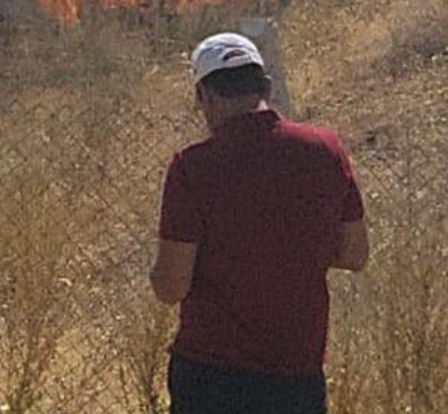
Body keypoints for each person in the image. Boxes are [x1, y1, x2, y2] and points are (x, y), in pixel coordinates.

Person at [150, 32, 369, 414]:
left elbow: (171, 286)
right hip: (296, 373)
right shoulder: (326, 151)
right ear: (265, 87)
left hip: (211, 374)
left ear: (204, 97)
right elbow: (354, 254)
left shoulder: (192, 167)